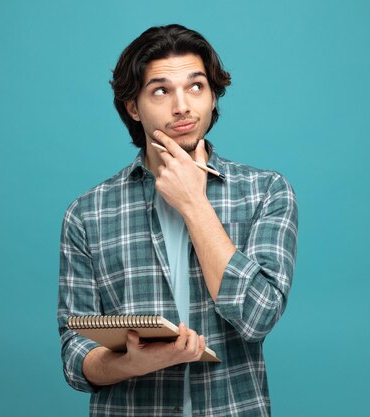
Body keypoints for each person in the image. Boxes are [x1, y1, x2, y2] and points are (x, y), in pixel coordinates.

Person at [58, 24, 298, 417]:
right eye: (160, 90)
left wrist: (194, 203)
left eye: (196, 86)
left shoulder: (266, 192)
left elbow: (258, 316)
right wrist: (128, 364)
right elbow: (74, 350)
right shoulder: (87, 213)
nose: (182, 106)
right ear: (133, 107)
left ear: (213, 94)